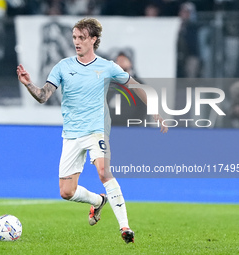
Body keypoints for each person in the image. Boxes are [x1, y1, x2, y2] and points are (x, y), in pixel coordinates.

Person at [17, 17, 168, 244]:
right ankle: (98, 201)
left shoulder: (106, 67)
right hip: (71, 135)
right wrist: (29, 83)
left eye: (82, 38)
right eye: (75, 37)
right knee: (66, 192)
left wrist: (154, 108)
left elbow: (134, 85)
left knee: (103, 171)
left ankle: (125, 227)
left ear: (94, 40)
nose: (77, 42)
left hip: (97, 130)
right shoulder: (63, 67)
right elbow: (43, 96)